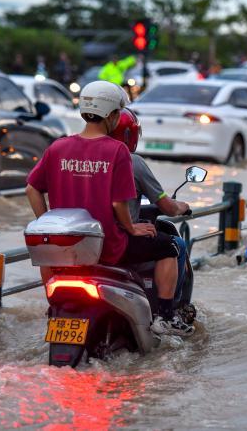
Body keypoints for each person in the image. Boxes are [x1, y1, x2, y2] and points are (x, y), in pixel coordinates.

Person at [25, 80, 193, 336]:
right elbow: (118, 202)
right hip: (111, 248)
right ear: (113, 115)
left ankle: (54, 311)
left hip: (70, 249)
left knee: (49, 256)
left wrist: (48, 224)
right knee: (169, 245)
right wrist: (131, 228)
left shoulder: (57, 147)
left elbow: (32, 189)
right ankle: (166, 317)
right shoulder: (118, 152)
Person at [110, 107, 192, 305]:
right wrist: (182, 206)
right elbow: (167, 206)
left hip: (87, 240)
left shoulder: (84, 157)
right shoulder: (133, 162)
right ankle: (166, 312)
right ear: (129, 134)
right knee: (175, 245)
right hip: (118, 239)